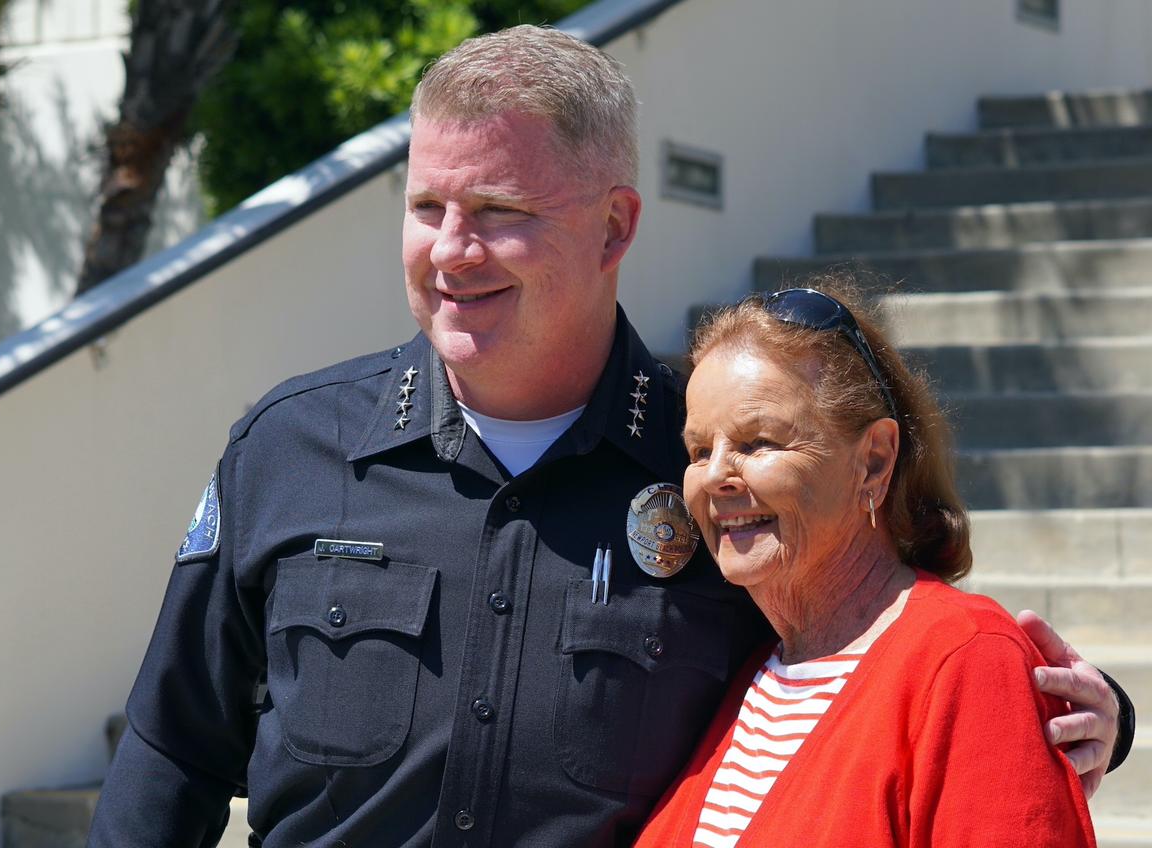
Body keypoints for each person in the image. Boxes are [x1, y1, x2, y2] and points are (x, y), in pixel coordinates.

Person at [88, 25, 1131, 848]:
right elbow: (173, 749)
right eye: (427, 206)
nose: (451, 251)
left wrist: (1090, 714)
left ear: (616, 226)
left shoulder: (717, 481)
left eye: (500, 209)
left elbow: (879, 636)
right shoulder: (290, 447)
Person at [634, 280, 1099, 847]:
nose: (714, 476)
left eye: (758, 443)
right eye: (700, 451)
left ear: (875, 461)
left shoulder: (965, 660)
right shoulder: (755, 672)